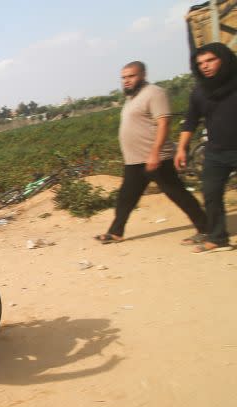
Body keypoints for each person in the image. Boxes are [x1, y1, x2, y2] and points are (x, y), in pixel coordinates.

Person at [94, 61, 207, 245]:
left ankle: (206, 228)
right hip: (135, 161)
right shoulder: (132, 98)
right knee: (126, 198)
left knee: (177, 193)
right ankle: (116, 232)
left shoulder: (154, 93)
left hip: (156, 158)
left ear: (143, 75)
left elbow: (164, 123)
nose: (127, 81)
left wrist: (155, 153)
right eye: (123, 78)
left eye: (131, 76)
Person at [175, 43, 237, 253]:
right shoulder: (200, 92)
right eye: (200, 63)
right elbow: (190, 121)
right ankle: (218, 239)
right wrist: (182, 148)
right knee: (211, 194)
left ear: (224, 59)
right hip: (216, 152)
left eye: (210, 60)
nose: (205, 66)